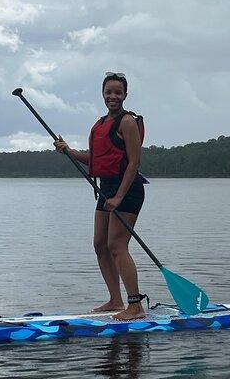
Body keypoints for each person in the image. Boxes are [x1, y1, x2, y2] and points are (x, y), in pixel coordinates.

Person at [54, 72, 147, 320]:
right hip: (105, 188)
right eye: (109, 92)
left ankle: (135, 305)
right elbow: (96, 161)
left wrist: (118, 196)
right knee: (100, 245)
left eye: (118, 92)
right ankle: (115, 299)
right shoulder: (99, 124)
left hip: (127, 189)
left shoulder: (127, 122)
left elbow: (134, 163)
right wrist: (70, 152)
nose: (113, 96)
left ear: (125, 95)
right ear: (102, 94)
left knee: (117, 245)